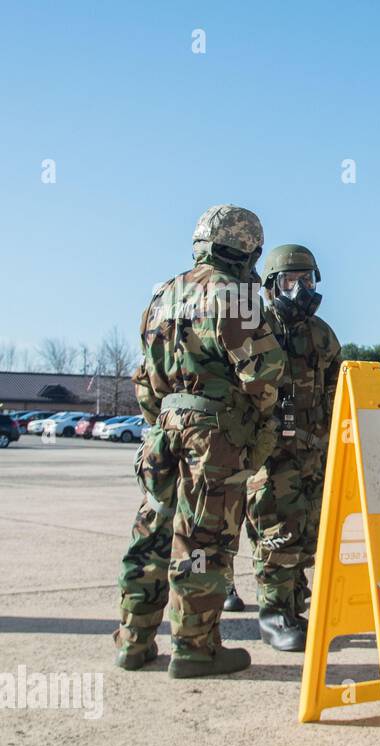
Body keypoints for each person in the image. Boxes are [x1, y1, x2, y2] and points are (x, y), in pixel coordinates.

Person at [113, 205, 286, 677]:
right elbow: (264, 371)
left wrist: (164, 418)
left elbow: (144, 380)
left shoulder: (162, 294)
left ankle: (134, 641)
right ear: (250, 247)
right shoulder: (237, 294)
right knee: (202, 544)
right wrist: (260, 421)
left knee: (151, 535)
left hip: (162, 431)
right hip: (213, 437)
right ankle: (195, 648)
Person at [229, 244, 342, 652]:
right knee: (277, 532)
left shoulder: (322, 334)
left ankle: (295, 606)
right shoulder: (257, 327)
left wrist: (332, 440)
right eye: (293, 280)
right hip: (270, 452)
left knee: (308, 533)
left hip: (312, 451)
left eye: (308, 279)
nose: (303, 288)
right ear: (274, 285)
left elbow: (336, 393)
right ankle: (274, 614)